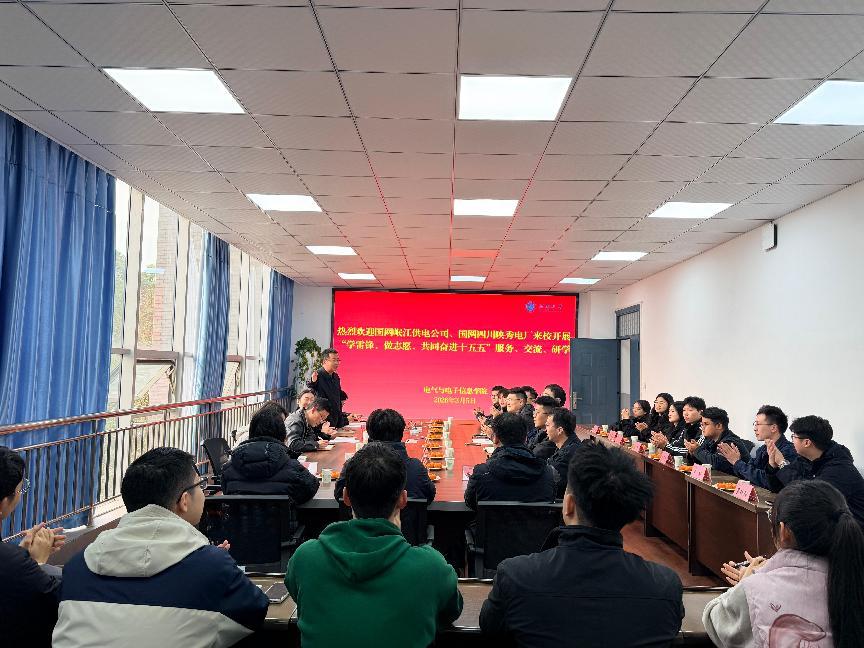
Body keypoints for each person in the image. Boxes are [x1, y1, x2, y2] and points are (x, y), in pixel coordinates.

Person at [53, 447, 269, 648]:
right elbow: (255, 610)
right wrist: (217, 567)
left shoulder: (77, 567)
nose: (203, 493)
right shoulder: (213, 566)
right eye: (200, 485)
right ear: (184, 500)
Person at [479, 442, 684, 647]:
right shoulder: (665, 586)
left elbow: (491, 627)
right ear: (629, 513)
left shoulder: (516, 576)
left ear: (568, 505)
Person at [286, 442, 463, 648]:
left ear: (345, 497)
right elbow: (450, 612)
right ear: (403, 500)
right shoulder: (431, 567)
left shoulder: (305, 559)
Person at [704, 480, 864, 648]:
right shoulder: (853, 578)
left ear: (783, 531)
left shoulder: (754, 589)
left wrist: (746, 582)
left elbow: (713, 622)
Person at [0, 447, 65, 648]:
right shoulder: (14, 565)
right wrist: (36, 563)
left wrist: (20, 555)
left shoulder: (12, 561)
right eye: (21, 489)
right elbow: (53, 605)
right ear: (4, 503)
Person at [764, 416, 864, 524]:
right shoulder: (806, 459)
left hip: (851, 530)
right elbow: (779, 488)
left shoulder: (839, 469)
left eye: (794, 437)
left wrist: (782, 463)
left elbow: (810, 496)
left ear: (807, 442)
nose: (792, 441)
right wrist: (773, 466)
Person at [221, 403, 319, 503]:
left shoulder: (228, 469)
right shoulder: (292, 468)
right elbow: (311, 487)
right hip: (281, 514)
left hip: (241, 513)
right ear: (282, 433)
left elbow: (226, 493)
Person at [335, 408, 435, 503]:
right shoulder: (415, 467)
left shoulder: (352, 465)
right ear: (401, 434)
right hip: (405, 516)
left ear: (369, 433)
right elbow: (429, 496)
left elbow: (339, 496)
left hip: (359, 515)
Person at [464, 412, 556, 511]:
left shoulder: (482, 472)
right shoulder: (548, 473)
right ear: (525, 438)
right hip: (536, 521)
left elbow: (471, 502)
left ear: (495, 438)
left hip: (494, 521)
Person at [717, 405, 797, 490]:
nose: (755, 428)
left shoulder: (788, 451)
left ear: (773, 428)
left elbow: (766, 481)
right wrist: (736, 461)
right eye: (755, 424)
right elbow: (748, 475)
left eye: (758, 424)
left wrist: (737, 463)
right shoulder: (762, 449)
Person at [684, 407, 752, 474]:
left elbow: (717, 464)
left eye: (706, 424)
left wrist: (697, 450)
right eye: (702, 424)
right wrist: (692, 452)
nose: (702, 428)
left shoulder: (730, 442)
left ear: (719, 426)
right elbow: (702, 463)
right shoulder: (710, 440)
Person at [308, 348, 359, 429]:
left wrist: (344, 418)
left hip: (335, 421)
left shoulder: (336, 377)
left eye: (338, 360)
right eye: (334, 360)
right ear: (325, 361)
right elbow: (312, 388)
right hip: (323, 421)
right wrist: (312, 382)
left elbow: (337, 400)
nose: (336, 363)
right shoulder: (317, 375)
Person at [546, 408, 582, 499]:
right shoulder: (568, 445)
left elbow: (550, 482)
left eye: (547, 425)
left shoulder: (569, 454)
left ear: (559, 430)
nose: (545, 429)